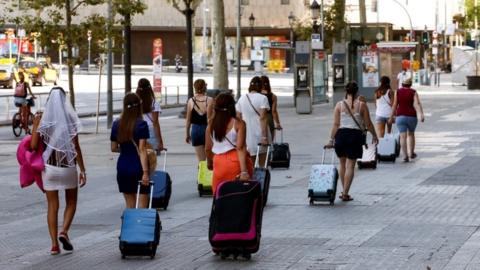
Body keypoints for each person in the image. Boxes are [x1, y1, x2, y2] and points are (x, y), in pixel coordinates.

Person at [30, 87, 86, 255]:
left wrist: (35, 126)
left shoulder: (41, 119)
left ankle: (54, 245)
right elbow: (76, 146)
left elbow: (33, 146)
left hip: (50, 168)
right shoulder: (70, 118)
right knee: (72, 202)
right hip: (68, 167)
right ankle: (64, 231)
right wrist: (82, 169)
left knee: (52, 206)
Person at [326, 82, 378, 202]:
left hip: (341, 136)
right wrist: (374, 135)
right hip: (354, 136)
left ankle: (344, 191)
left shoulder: (339, 105)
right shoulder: (362, 105)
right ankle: (345, 193)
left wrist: (330, 140)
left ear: (346, 91)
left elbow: (336, 124)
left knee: (342, 164)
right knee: (350, 166)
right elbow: (368, 123)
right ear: (357, 91)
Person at [205, 93, 253, 194]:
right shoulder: (239, 123)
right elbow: (240, 148)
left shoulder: (210, 124)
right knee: (238, 195)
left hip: (218, 162)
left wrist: (210, 162)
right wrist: (244, 171)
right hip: (236, 161)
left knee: (219, 195)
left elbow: (208, 148)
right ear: (232, 106)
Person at [110, 93, 150, 209]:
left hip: (123, 166)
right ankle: (140, 227)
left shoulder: (116, 124)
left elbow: (113, 148)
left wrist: (125, 148)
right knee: (142, 206)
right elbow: (142, 149)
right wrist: (146, 173)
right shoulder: (141, 125)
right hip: (138, 167)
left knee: (129, 205)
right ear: (139, 107)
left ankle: (129, 226)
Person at [236, 76, 270, 166]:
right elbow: (263, 118)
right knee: (263, 164)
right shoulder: (263, 98)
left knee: (250, 164)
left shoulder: (242, 98)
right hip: (260, 132)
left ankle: (251, 179)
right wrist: (264, 137)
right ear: (261, 86)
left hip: (246, 134)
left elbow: (238, 117)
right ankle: (261, 180)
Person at [389, 78, 425, 162]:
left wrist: (391, 117)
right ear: (410, 85)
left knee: (402, 136)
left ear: (402, 84)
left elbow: (394, 105)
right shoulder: (413, 92)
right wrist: (421, 114)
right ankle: (411, 153)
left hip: (400, 116)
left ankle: (405, 156)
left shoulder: (397, 92)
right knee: (411, 134)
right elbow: (417, 104)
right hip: (412, 116)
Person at [185, 79, 213, 161]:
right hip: (208, 129)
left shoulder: (191, 101)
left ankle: (201, 173)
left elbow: (188, 120)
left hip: (195, 130)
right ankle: (210, 173)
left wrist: (187, 134)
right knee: (210, 160)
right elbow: (210, 119)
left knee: (201, 161)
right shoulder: (210, 100)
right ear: (205, 87)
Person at [135, 78, 165, 154]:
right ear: (150, 88)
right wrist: (160, 141)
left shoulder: (135, 102)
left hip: (137, 130)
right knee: (151, 159)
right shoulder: (154, 103)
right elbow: (155, 123)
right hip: (150, 131)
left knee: (139, 156)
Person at [260, 76, 282, 141]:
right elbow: (274, 111)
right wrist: (278, 124)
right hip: (269, 119)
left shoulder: (257, 96)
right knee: (269, 143)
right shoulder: (273, 96)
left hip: (258, 118)